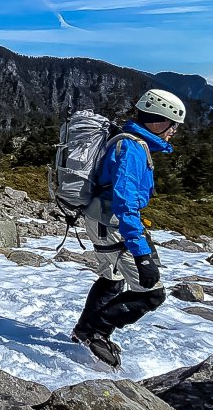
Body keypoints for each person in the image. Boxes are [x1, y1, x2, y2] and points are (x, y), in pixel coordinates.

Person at [71, 89, 185, 368]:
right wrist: (142, 253)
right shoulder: (133, 149)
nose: (174, 132)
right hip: (113, 224)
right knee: (151, 292)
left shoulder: (129, 142)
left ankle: (85, 331)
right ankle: (95, 332)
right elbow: (125, 203)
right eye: (174, 126)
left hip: (100, 220)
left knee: (112, 279)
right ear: (159, 121)